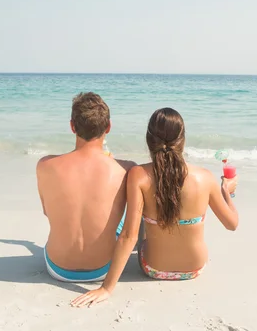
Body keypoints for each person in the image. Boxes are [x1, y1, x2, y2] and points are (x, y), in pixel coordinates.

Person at [71, 107, 238, 307]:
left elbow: (128, 236)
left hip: (153, 268)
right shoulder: (205, 178)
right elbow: (232, 224)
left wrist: (107, 288)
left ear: (150, 140)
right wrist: (226, 191)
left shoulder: (138, 175)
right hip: (194, 268)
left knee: (141, 220)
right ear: (182, 139)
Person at [36, 92, 135, 282]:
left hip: (57, 268)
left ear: (72, 126)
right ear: (108, 127)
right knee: (131, 211)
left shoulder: (45, 165)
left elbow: (48, 212)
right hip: (104, 269)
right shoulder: (125, 169)